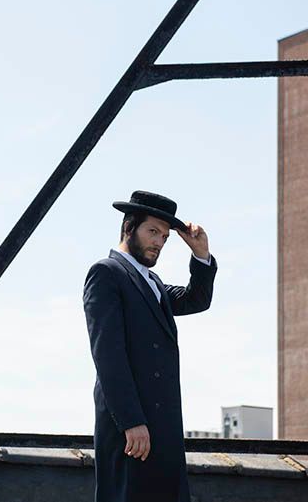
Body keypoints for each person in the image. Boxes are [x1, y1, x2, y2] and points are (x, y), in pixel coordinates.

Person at [83, 190, 217, 502]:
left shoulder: (153, 282)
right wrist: (131, 421)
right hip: (131, 429)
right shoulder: (106, 273)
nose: (158, 242)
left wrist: (201, 255)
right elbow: (108, 355)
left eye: (165, 236)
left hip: (163, 428)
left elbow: (196, 300)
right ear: (129, 227)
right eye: (152, 231)